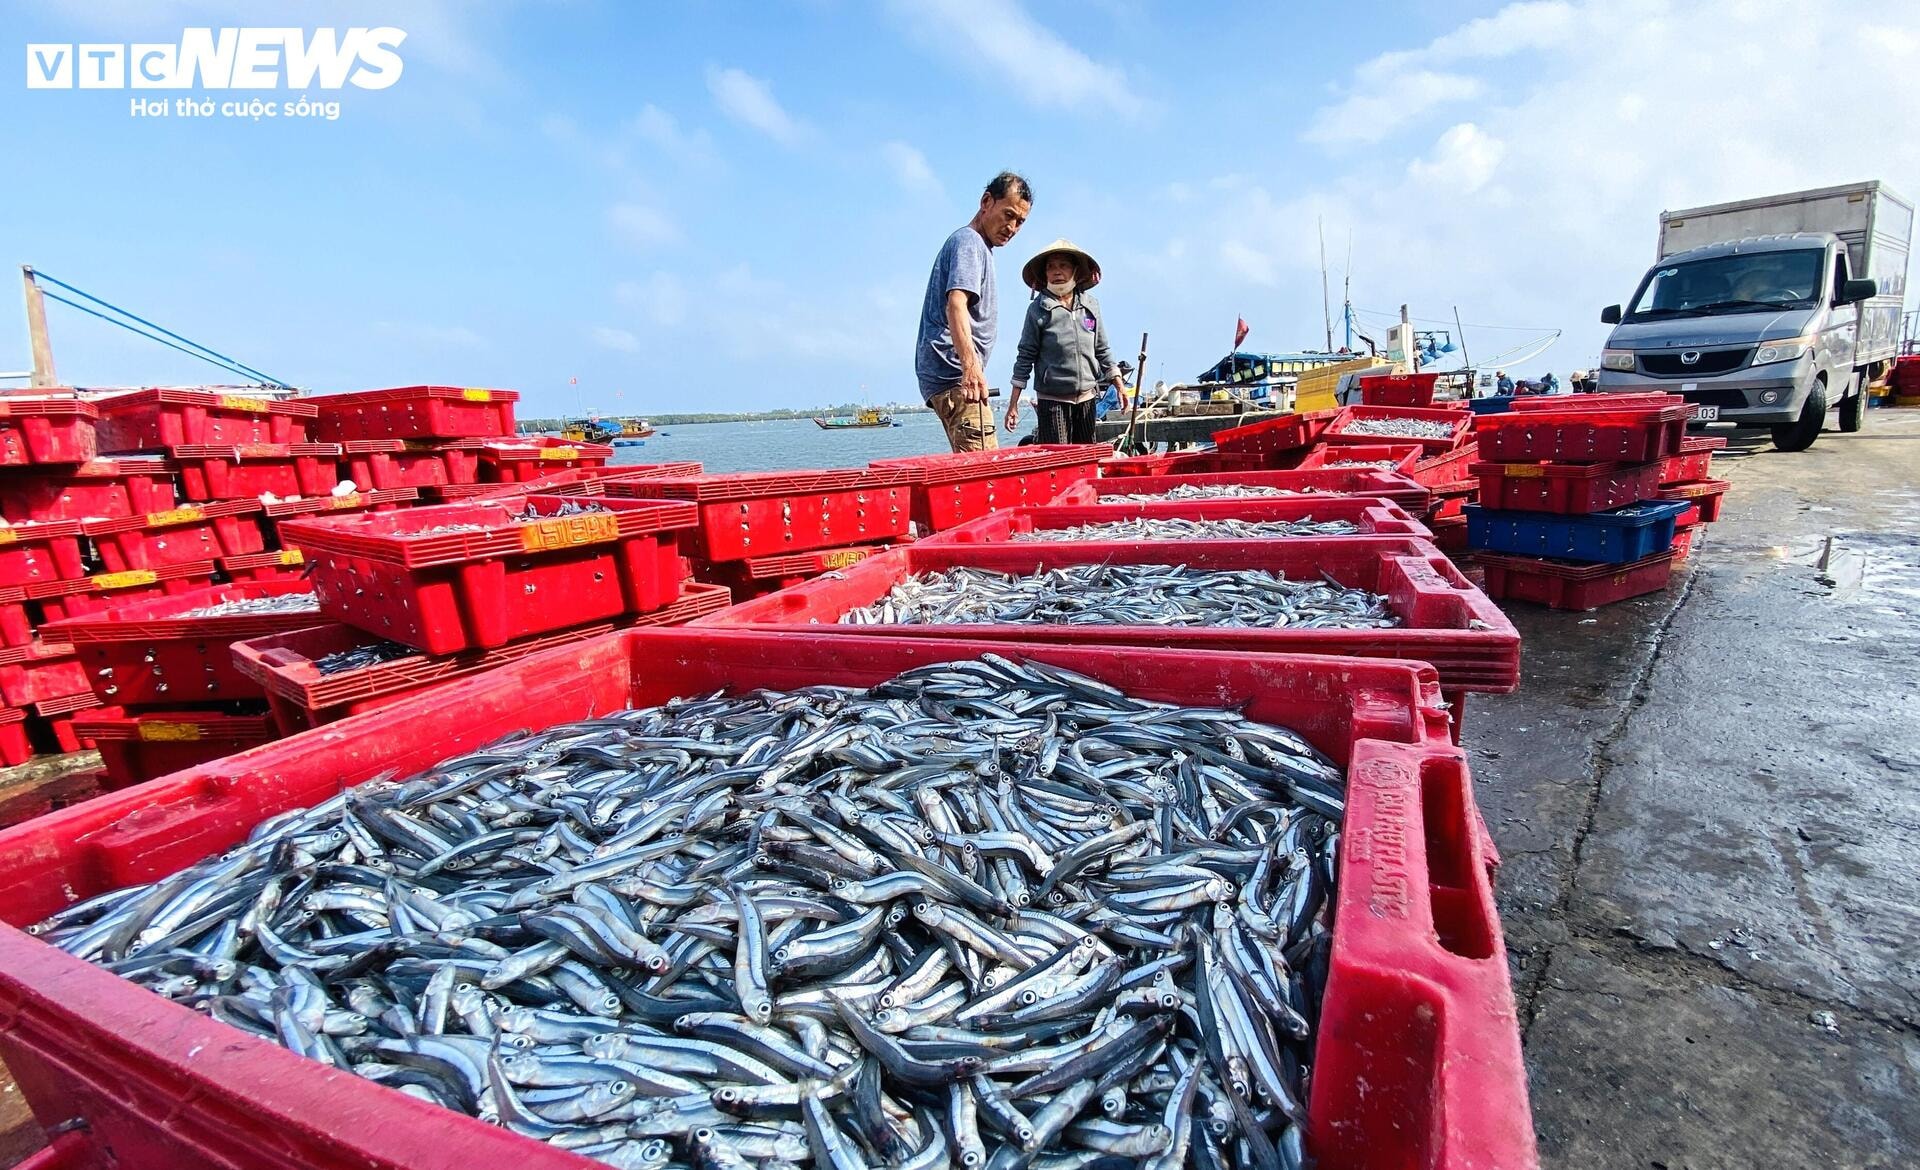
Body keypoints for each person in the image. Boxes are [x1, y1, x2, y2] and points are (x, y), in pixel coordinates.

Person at [915, 172, 1033, 452]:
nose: (1012, 227)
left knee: (973, 469)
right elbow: (955, 303)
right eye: (1008, 215)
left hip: (953, 377)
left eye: (1020, 222)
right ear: (986, 201)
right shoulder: (969, 242)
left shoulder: (978, 247)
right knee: (985, 473)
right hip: (957, 377)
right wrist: (970, 368)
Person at [1004, 239, 1124, 445]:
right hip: (1052, 399)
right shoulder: (1038, 309)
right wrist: (1013, 404)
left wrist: (1119, 385)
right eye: (1051, 267)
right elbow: (1025, 356)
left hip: (1087, 397)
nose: (1056, 272)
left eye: (1063, 266)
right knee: (1057, 461)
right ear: (1045, 274)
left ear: (1075, 271)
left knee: (1085, 460)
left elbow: (1102, 350)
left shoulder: (1090, 306)